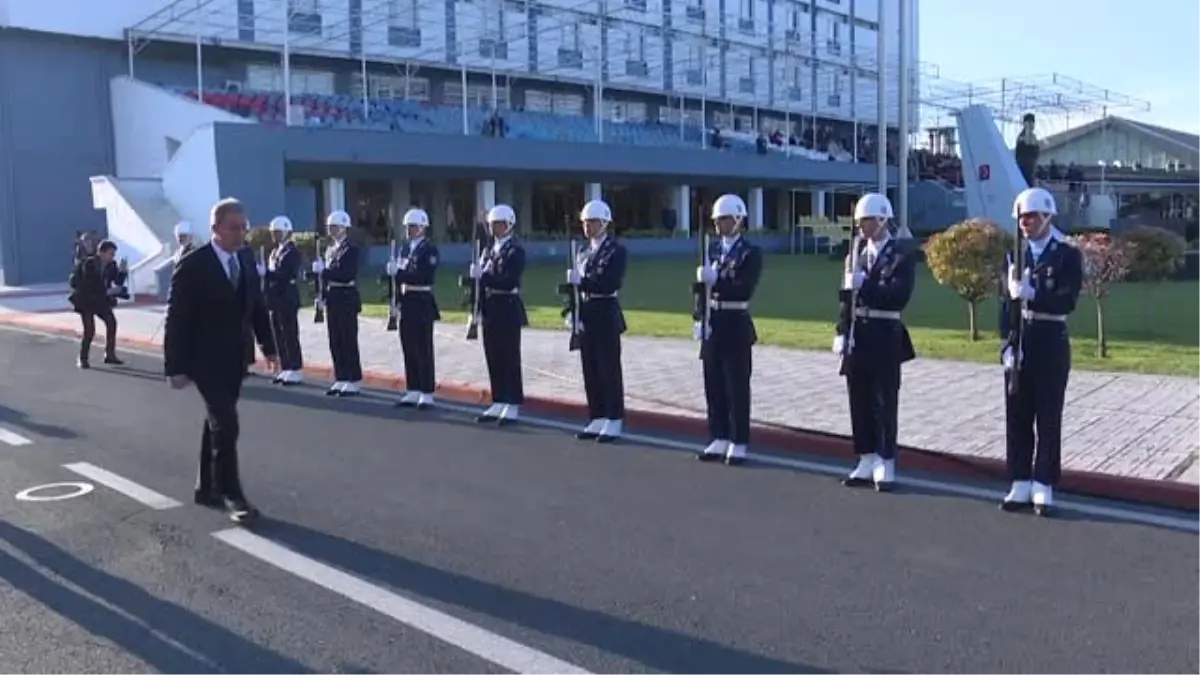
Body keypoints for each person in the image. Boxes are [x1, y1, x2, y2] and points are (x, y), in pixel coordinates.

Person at [163, 198, 278, 523]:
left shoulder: (244, 258)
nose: (241, 233)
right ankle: (232, 493)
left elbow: (255, 305)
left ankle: (206, 486)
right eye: (234, 227)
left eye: (244, 226)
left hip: (235, 357)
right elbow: (178, 318)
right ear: (215, 229)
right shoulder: (194, 263)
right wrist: (175, 366)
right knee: (226, 423)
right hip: (204, 359)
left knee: (216, 423)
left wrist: (268, 346)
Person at [999, 187, 1082, 517]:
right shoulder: (1013, 255)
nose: (1025, 222)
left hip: (1049, 338)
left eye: (1031, 216)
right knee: (1017, 415)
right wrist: (1006, 343)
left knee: (1048, 416)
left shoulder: (1066, 255)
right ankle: (1019, 479)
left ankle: (1044, 482)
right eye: (1021, 217)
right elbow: (1005, 305)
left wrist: (1033, 295)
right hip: (1021, 339)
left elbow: (1067, 301)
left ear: (1047, 217)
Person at [834, 193, 918, 491]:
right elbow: (845, 300)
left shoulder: (901, 255)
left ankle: (886, 460)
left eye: (867, 220)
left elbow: (898, 296)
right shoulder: (854, 254)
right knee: (859, 398)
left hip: (885, 332)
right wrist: (840, 331)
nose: (861, 227)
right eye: (859, 221)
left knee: (884, 400)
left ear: (882, 219)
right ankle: (866, 457)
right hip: (859, 332)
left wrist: (865, 284)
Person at [694, 194, 763, 466]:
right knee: (713, 382)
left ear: (738, 220)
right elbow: (701, 290)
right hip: (713, 319)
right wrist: (699, 316)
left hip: (735, 319)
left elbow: (744, 288)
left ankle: (738, 440)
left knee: (736, 384)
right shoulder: (711, 250)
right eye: (717, 219)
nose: (720, 224)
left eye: (724, 218)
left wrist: (717, 281)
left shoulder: (750, 252)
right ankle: (719, 435)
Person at [566, 199, 627, 443]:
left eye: (591, 222)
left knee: (608, 368)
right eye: (585, 222)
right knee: (589, 367)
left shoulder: (615, 250)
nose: (587, 226)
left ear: (604, 223)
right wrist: (572, 310)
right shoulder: (582, 252)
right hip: (587, 311)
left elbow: (610, 282)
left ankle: (614, 418)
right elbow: (576, 288)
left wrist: (583, 282)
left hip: (605, 310)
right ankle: (597, 415)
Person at [469, 204, 527, 424]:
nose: (493, 228)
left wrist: (483, 277)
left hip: (507, 305)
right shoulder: (488, 249)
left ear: (509, 224)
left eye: (498, 224)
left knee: (509, 356)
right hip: (490, 306)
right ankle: (499, 399)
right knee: (493, 355)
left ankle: (512, 402)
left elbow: (510, 280)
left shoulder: (515, 250)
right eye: (491, 224)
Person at [388, 207, 440, 408]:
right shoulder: (404, 249)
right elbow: (400, 275)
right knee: (408, 346)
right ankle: (413, 388)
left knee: (423, 348)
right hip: (407, 300)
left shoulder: (429, 249)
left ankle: (426, 391)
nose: (410, 230)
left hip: (421, 299)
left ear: (423, 228)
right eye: (408, 227)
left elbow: (423, 275)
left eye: (414, 227)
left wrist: (399, 274)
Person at [311, 210, 363, 396]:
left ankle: (354, 379)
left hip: (346, 296)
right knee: (335, 340)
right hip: (333, 297)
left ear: (344, 227)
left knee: (348, 339)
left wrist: (324, 272)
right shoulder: (331, 249)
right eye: (330, 227)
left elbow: (346, 274)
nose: (331, 230)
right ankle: (341, 377)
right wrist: (321, 293)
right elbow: (327, 276)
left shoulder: (351, 249)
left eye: (334, 227)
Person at [258, 216, 304, 385]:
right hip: (275, 298)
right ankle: (286, 367)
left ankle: (296, 368)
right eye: (273, 232)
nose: (275, 235)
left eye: (278, 232)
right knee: (278, 333)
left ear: (287, 232)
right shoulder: (275, 251)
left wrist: (267, 274)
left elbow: (286, 274)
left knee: (289, 333)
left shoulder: (292, 252)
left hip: (287, 296)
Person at [68, 239, 126, 369]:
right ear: (101, 252)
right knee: (89, 330)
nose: (112, 257)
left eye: (113, 254)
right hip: (86, 300)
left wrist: (122, 272)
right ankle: (83, 358)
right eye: (110, 254)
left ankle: (109, 355)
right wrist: (108, 291)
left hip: (101, 300)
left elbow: (117, 281)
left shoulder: (112, 265)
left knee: (111, 323)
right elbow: (91, 284)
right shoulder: (89, 264)